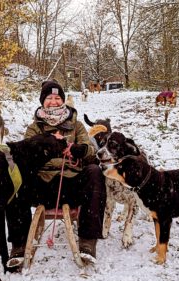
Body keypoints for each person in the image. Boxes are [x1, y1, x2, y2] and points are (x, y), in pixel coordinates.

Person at [6, 80, 107, 267]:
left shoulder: (76, 126)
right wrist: (46, 147)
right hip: (41, 185)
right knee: (15, 179)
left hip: (71, 183)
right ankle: (18, 245)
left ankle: (87, 241)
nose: (53, 101)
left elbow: (90, 151)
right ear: (42, 101)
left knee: (94, 172)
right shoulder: (34, 128)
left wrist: (77, 150)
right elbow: (25, 155)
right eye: (49, 98)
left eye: (57, 97)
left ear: (63, 101)